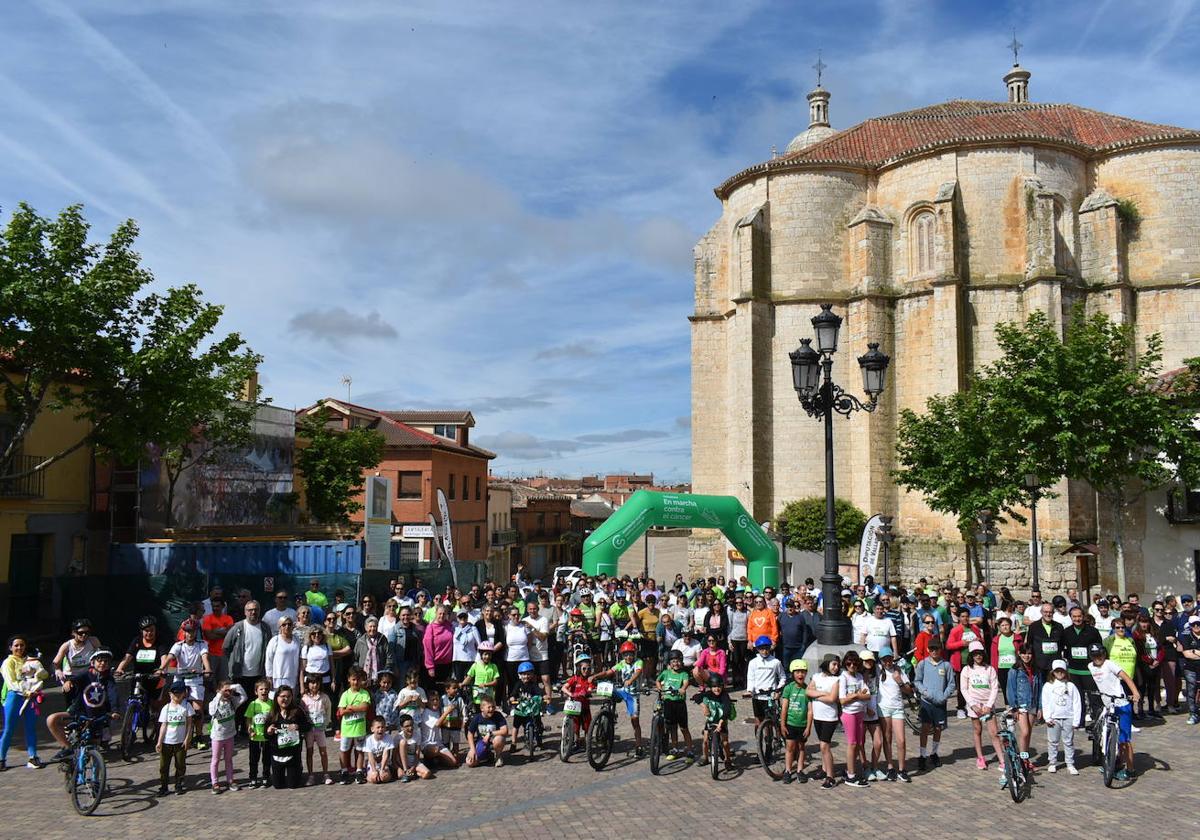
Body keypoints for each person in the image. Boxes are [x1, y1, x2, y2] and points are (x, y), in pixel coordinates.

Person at [1088, 642, 1140, 780]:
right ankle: (1113, 763)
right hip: (1108, 704)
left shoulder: (1109, 664)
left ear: (1104, 654)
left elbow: (1126, 677)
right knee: (1107, 734)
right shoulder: (1090, 667)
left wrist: (1135, 693)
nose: (1097, 658)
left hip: (1121, 704)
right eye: (1094, 656)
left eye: (1100, 655)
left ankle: (1130, 769)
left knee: (1124, 740)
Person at [222, 599, 271, 736]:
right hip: (240, 674)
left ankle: (248, 728)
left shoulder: (265, 628)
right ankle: (236, 729)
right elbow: (226, 647)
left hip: (257, 674)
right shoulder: (238, 627)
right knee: (239, 703)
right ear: (245, 612)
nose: (253, 612)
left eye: (256, 610)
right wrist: (233, 662)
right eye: (250, 610)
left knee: (252, 702)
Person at [1, 635, 47, 770]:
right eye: (16, 645)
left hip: (31, 697)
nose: (19, 648)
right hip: (14, 697)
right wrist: (26, 691)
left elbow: (42, 675)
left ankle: (33, 757)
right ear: (10, 647)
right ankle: (1, 759)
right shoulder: (8, 663)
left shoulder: (30, 661)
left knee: (30, 728)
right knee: (9, 729)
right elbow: (11, 683)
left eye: (22, 645)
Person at [164, 619, 211, 749]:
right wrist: (161, 668)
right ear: (183, 632)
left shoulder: (202, 644)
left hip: (196, 679)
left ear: (196, 632)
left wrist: (207, 669)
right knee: (177, 708)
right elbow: (170, 657)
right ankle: (175, 736)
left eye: (193, 631)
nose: (190, 634)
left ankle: (199, 737)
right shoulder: (178, 645)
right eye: (187, 631)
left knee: (198, 711)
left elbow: (205, 657)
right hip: (180, 680)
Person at [594, 641, 644, 757]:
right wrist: (595, 676)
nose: (628, 657)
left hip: (633, 695)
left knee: (635, 721)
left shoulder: (638, 662)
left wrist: (631, 680)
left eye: (630, 654)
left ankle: (638, 745)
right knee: (609, 693)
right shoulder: (621, 663)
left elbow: (638, 672)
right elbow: (609, 671)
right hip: (622, 691)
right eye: (625, 654)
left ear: (634, 654)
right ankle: (607, 716)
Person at [961, 641, 1005, 771]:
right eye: (975, 654)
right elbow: (964, 689)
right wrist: (973, 705)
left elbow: (995, 688)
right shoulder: (967, 670)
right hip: (974, 705)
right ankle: (980, 757)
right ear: (971, 656)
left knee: (994, 733)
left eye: (980, 654)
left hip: (988, 705)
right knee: (977, 730)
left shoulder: (990, 669)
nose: (978, 656)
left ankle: (1002, 760)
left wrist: (989, 705)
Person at [913, 639, 955, 772]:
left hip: (940, 702)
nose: (934, 651)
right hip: (927, 702)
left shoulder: (946, 665)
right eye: (931, 649)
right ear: (927, 650)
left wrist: (944, 695)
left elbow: (952, 684)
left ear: (940, 649)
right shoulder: (922, 664)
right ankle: (922, 755)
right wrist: (925, 692)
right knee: (925, 729)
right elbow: (917, 681)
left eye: (936, 649)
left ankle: (934, 753)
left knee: (938, 729)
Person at [876, 647, 913, 782]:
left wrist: (899, 681)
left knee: (901, 740)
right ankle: (890, 766)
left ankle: (902, 769)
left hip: (898, 708)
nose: (888, 662)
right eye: (885, 659)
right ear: (881, 660)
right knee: (887, 738)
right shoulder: (878, 670)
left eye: (889, 658)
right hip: (883, 708)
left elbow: (909, 690)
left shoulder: (899, 671)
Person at [266, 683, 311, 789]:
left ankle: (297, 769)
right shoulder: (272, 713)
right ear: (277, 697)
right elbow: (266, 734)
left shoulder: (297, 711)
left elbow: (308, 726)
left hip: (293, 754)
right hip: (277, 754)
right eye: (283, 696)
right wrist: (269, 731)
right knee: (278, 785)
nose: (285, 699)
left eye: (288, 696)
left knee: (293, 785)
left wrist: (298, 726)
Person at [836, 650, 871, 786]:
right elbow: (843, 700)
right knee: (852, 744)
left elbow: (867, 695)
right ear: (845, 663)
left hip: (859, 712)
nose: (852, 666)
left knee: (858, 744)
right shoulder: (843, 677)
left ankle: (850, 770)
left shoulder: (860, 677)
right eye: (849, 663)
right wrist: (857, 695)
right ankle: (851, 775)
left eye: (855, 664)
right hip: (849, 714)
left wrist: (854, 695)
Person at [1041, 660, 1081, 775]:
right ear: (1053, 672)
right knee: (1053, 741)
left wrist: (1076, 720)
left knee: (1068, 741)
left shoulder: (1071, 686)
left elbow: (1077, 702)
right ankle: (1052, 762)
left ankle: (1070, 763)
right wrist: (1047, 717)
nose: (1059, 673)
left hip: (1068, 717)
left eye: (1062, 671)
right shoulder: (1048, 686)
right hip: (1054, 718)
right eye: (1057, 671)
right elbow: (1045, 702)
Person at [807, 654, 841, 788]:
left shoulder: (836, 680)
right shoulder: (816, 676)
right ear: (826, 663)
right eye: (834, 664)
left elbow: (832, 698)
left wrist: (817, 695)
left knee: (824, 746)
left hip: (829, 717)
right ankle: (824, 769)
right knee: (822, 744)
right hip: (818, 716)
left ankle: (830, 777)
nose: (836, 667)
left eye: (838, 665)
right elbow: (808, 691)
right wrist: (823, 694)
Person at [155, 679, 194, 796]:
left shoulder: (186, 706)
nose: (176, 696)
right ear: (170, 694)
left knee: (180, 765)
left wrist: (188, 739)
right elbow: (163, 725)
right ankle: (164, 786)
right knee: (163, 766)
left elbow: (189, 725)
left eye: (179, 693)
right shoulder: (166, 708)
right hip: (167, 742)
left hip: (180, 742)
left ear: (184, 694)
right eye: (174, 694)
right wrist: (159, 741)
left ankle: (179, 784)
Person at [207, 679, 246, 793]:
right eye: (225, 691)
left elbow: (244, 696)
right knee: (216, 760)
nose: (227, 693)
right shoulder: (214, 703)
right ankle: (215, 783)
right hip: (217, 737)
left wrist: (235, 687)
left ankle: (230, 780)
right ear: (218, 691)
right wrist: (220, 693)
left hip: (230, 735)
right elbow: (212, 711)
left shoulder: (233, 701)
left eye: (229, 691)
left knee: (228, 760)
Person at [656, 650, 695, 762]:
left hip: (679, 703)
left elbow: (686, 682)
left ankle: (690, 750)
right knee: (672, 728)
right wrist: (660, 688)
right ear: (669, 663)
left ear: (681, 662)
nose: (676, 663)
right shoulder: (666, 673)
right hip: (668, 703)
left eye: (678, 661)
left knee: (683, 728)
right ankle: (674, 749)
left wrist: (683, 688)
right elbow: (658, 681)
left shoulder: (684, 674)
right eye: (673, 661)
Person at [52, 618, 101, 706]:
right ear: (73, 633)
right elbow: (55, 663)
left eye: (87, 633)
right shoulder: (67, 646)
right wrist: (58, 671)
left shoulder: (93, 641)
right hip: (72, 676)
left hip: (88, 674)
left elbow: (101, 654)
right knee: (72, 699)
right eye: (80, 633)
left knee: (93, 700)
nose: (84, 635)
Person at [1006, 644, 1042, 764]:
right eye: (1024, 653)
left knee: (1029, 733)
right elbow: (1010, 689)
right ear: (1019, 654)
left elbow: (1040, 689)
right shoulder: (1014, 670)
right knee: (1025, 732)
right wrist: (1014, 707)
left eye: (1029, 653)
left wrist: (1040, 707)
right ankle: (1022, 759)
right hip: (1021, 705)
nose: (1027, 656)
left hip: (1033, 704)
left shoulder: (1036, 670)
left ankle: (1025, 758)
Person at [337, 666, 372, 784]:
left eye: (358, 679)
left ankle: (359, 771)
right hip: (347, 729)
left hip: (359, 729)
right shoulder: (345, 695)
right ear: (348, 679)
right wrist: (356, 709)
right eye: (353, 679)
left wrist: (351, 707)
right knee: (344, 750)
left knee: (360, 750)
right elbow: (341, 711)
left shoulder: (364, 693)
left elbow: (365, 707)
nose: (355, 682)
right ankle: (344, 771)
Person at [779, 659, 812, 784]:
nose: (800, 675)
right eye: (797, 672)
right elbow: (785, 708)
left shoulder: (808, 689)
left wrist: (809, 727)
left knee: (802, 747)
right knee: (790, 748)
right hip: (790, 723)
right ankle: (788, 770)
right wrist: (782, 724)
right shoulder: (788, 688)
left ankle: (799, 770)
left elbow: (810, 711)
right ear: (793, 674)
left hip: (802, 724)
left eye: (803, 672)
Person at [694, 673, 735, 771]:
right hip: (711, 720)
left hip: (722, 720)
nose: (717, 689)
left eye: (719, 686)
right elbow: (696, 697)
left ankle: (728, 760)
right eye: (714, 687)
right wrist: (703, 706)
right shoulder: (709, 694)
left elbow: (727, 710)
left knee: (725, 742)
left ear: (722, 686)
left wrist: (721, 723)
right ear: (710, 687)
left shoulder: (725, 696)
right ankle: (705, 757)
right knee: (705, 740)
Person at [745, 635, 786, 733]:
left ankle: (770, 742)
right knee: (758, 721)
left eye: (767, 648)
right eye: (762, 649)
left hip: (770, 696)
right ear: (758, 649)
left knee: (769, 721)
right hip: (758, 696)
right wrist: (750, 690)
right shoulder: (753, 663)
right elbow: (750, 678)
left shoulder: (776, 662)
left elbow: (782, 677)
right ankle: (759, 740)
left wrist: (778, 690)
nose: (764, 651)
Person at [300, 673, 334, 784]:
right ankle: (310, 775)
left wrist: (327, 723)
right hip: (309, 730)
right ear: (308, 684)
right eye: (312, 683)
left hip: (320, 729)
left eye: (317, 683)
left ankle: (326, 774)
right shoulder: (304, 698)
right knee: (309, 752)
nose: (314, 685)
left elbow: (329, 710)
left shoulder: (324, 697)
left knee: (323, 752)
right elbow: (302, 713)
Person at [508, 661, 548, 754]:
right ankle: (513, 743)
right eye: (523, 674)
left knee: (537, 724)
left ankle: (539, 741)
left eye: (528, 674)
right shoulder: (518, 684)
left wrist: (543, 696)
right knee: (515, 726)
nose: (526, 676)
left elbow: (539, 692)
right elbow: (513, 693)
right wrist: (512, 697)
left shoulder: (533, 685)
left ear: (532, 675)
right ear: (519, 675)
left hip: (532, 710)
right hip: (520, 709)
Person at [243, 678, 273, 787]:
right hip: (255, 737)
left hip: (267, 737)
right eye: (261, 689)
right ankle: (253, 778)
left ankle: (266, 777)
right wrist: (249, 729)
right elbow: (248, 719)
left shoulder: (272, 704)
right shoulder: (253, 704)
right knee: (253, 759)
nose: (264, 691)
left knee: (267, 759)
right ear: (256, 691)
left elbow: (274, 719)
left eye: (266, 689)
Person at [465, 695, 509, 767]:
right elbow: (470, 734)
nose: (491, 709)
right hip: (481, 743)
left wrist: (491, 733)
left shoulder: (498, 715)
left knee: (499, 739)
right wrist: (472, 749)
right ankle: (487, 755)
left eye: (493, 707)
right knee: (470, 763)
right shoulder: (477, 718)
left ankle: (498, 756)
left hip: (494, 742)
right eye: (489, 707)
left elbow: (505, 731)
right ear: (482, 708)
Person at [202, 596, 235, 685]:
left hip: (224, 654)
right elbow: (209, 636)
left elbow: (230, 634)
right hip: (211, 654)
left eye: (217, 606)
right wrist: (223, 631)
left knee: (224, 682)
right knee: (210, 681)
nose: (215, 608)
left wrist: (215, 631)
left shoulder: (228, 618)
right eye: (213, 606)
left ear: (223, 606)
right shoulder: (207, 618)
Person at [265, 615, 301, 693]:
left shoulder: (296, 640)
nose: (287, 626)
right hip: (278, 679)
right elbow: (269, 660)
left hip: (293, 678)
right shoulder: (275, 640)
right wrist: (269, 677)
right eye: (284, 625)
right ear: (280, 627)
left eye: (289, 624)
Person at [354, 616, 391, 686]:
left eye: (374, 626)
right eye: (370, 626)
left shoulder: (382, 639)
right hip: (363, 676)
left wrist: (386, 670)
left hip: (380, 676)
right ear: (365, 628)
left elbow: (389, 655)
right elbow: (355, 658)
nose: (372, 629)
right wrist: (358, 672)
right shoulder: (360, 641)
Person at [1178, 614, 1200, 724]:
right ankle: (1193, 714)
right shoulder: (1186, 636)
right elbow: (1187, 654)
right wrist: (1193, 653)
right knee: (1191, 691)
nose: (1196, 626)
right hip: (1191, 668)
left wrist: (1195, 651)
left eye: (1198, 624)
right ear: (1190, 626)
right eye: (1193, 624)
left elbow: (1191, 653)